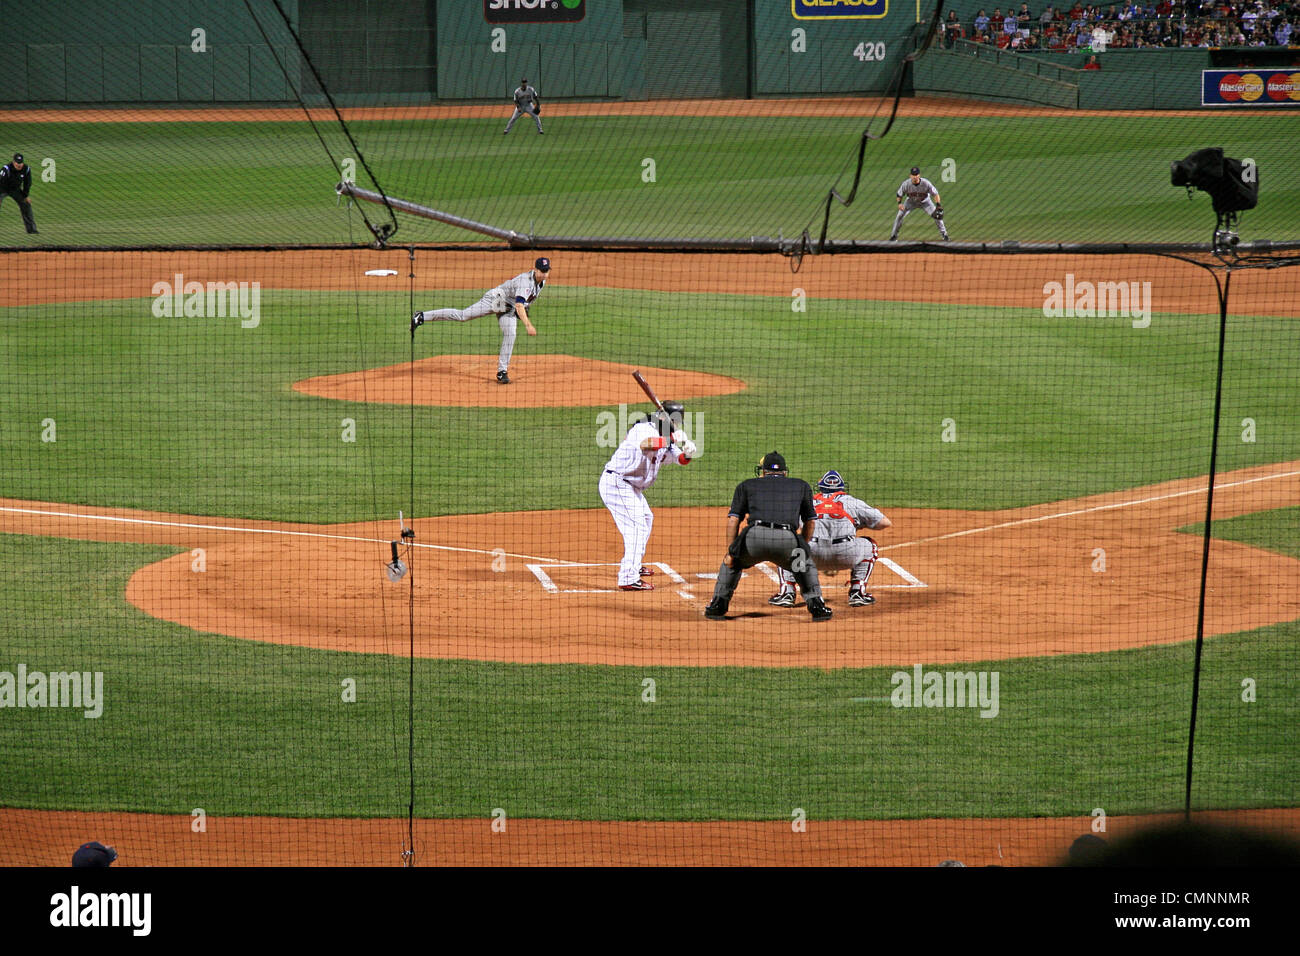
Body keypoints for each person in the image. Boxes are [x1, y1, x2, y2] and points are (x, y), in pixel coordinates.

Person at [703, 452, 833, 622]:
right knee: (804, 565)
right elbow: (810, 522)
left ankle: (718, 605)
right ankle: (816, 605)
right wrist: (802, 547)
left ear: (763, 472)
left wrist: (732, 551)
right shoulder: (801, 485)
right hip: (787, 540)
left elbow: (733, 520)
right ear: (785, 472)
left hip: (754, 539)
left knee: (732, 562)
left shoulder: (747, 485)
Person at [599, 401, 696, 591]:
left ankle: (634, 564)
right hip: (617, 483)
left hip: (631, 487)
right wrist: (672, 439)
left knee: (645, 518)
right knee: (635, 527)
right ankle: (628, 577)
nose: (676, 425)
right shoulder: (644, 429)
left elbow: (678, 459)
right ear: (663, 417)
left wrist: (688, 453)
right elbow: (646, 444)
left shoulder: (666, 435)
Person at [410, 257, 550, 384]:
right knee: (463, 316)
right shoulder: (525, 281)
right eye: (542, 271)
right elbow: (520, 304)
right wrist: (528, 325)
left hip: (509, 307)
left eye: (546, 271)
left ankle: (502, 372)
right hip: (497, 299)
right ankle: (422, 316)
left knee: (511, 333)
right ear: (535, 269)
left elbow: (524, 303)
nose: (544, 274)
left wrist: (523, 310)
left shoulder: (541, 282)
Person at [768, 470, 891, 609]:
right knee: (870, 545)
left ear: (820, 487)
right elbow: (885, 523)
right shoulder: (853, 502)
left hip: (810, 558)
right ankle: (857, 592)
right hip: (845, 555)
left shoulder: (805, 502)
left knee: (786, 545)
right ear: (842, 487)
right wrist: (858, 524)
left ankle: (787, 593)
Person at [890, 166, 949, 241]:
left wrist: (938, 204)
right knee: (899, 216)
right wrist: (899, 203)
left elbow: (935, 194)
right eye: (913, 175)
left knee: (937, 215)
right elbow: (899, 195)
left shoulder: (926, 183)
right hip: (910, 202)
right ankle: (894, 236)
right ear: (910, 175)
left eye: (916, 175)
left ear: (919, 175)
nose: (915, 177)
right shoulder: (906, 184)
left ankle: (944, 235)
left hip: (925, 202)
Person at [0, 153, 38, 234]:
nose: (19, 165)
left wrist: (26, 196)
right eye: (17, 163)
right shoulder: (6, 169)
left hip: (15, 190)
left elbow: (27, 183)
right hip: (2, 189)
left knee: (26, 204)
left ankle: (31, 230)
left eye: (20, 163)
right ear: (13, 162)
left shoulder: (26, 169)